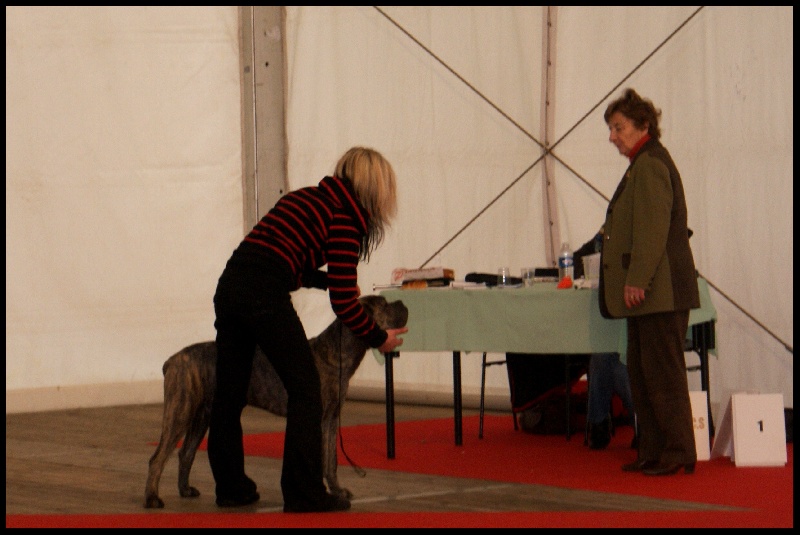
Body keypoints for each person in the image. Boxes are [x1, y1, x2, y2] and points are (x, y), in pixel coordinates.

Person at [207, 146, 408, 512]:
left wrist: (324, 279)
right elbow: (345, 304)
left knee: (230, 393)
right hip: (264, 294)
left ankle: (231, 486)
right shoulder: (346, 218)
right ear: (374, 188)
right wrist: (379, 338)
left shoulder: (308, 199)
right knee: (307, 388)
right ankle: (304, 492)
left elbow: (282, 257)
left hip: (231, 286)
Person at [599, 89, 700, 476]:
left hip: (659, 292)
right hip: (651, 294)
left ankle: (677, 452)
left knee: (662, 374)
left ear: (643, 124)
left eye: (618, 127)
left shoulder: (651, 164)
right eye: (610, 128)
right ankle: (655, 450)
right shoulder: (642, 163)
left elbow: (652, 229)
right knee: (643, 374)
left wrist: (637, 279)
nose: (612, 136)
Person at [573, 233, 637, 450]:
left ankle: (607, 422)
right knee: (603, 354)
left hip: (640, 320)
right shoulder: (608, 232)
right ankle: (602, 423)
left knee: (613, 360)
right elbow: (577, 259)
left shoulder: (641, 234)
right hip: (615, 319)